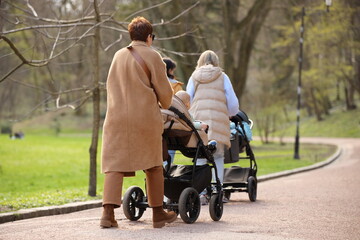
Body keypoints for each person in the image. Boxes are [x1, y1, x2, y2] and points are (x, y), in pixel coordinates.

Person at [100, 16, 176, 229]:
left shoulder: (118, 55)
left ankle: (107, 215)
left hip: (116, 118)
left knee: (114, 165)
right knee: (153, 165)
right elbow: (166, 98)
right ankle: (158, 214)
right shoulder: (153, 56)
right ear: (149, 37)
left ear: (131, 35)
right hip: (144, 119)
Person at [186, 50, 239, 205]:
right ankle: (218, 191)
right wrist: (230, 113)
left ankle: (201, 193)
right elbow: (233, 102)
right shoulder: (223, 77)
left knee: (200, 156)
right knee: (218, 156)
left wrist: (190, 116)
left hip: (199, 122)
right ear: (216, 61)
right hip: (217, 122)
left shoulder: (194, 76)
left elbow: (188, 98)